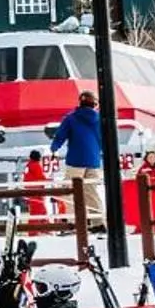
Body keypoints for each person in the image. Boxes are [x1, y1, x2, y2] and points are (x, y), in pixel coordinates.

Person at [49, 90, 106, 229]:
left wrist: (54, 149)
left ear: (80, 103)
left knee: (70, 190)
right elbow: (104, 139)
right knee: (91, 191)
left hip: (75, 159)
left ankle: (74, 222)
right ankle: (98, 222)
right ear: (95, 104)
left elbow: (60, 135)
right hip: (93, 160)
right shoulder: (100, 119)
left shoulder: (71, 118)